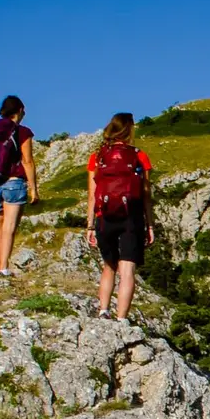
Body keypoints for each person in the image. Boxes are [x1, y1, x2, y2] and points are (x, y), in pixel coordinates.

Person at [86, 112, 154, 321]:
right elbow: (145, 194)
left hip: (104, 216)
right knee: (127, 270)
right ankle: (122, 318)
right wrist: (150, 225)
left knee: (109, 266)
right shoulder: (139, 156)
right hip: (131, 217)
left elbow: (91, 195)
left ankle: (103, 310)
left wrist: (89, 225)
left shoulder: (97, 156)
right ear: (129, 130)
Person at [0, 95, 38, 276]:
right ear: (19, 110)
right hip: (14, 182)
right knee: (9, 227)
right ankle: (4, 268)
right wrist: (33, 188)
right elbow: (27, 161)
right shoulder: (22, 132)